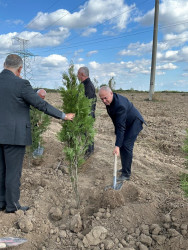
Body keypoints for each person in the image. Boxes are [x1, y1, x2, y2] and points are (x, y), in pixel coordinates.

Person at [0, 54, 75, 213]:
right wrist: (63, 115)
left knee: (1, 170)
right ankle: (12, 206)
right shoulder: (21, 84)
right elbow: (40, 104)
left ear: (5, 64)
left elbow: (10, 95)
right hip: (14, 137)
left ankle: (1, 203)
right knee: (13, 173)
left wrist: (33, 91)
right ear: (20, 69)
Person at [99, 86, 145, 181]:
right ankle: (124, 168)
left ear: (111, 93)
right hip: (126, 122)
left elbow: (121, 127)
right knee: (122, 144)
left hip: (134, 123)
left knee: (126, 146)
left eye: (105, 98)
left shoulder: (120, 106)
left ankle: (126, 174)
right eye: (101, 99)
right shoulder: (110, 101)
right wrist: (118, 138)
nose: (104, 101)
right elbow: (116, 121)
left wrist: (117, 145)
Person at [77, 66, 97, 157]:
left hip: (87, 115)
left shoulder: (88, 86)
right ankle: (88, 151)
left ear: (82, 74)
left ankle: (89, 152)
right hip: (85, 115)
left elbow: (89, 103)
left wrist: (85, 115)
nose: (77, 76)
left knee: (87, 133)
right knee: (86, 133)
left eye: (78, 74)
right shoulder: (84, 84)